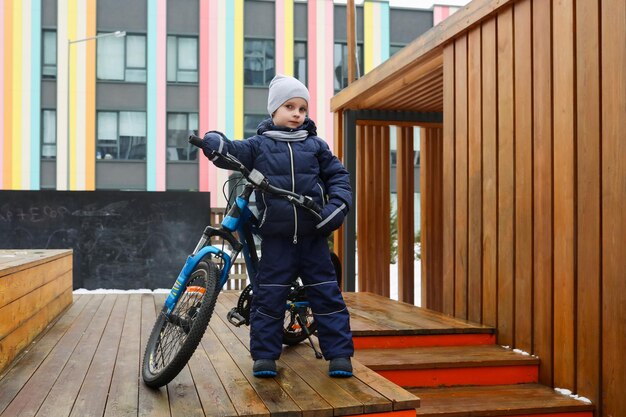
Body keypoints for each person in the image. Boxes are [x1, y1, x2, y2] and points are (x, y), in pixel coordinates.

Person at [200, 74, 354, 378]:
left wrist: (335, 207)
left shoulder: (316, 146)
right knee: (269, 298)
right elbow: (232, 151)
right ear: (274, 110)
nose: (297, 114)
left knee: (327, 297)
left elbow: (339, 177)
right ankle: (265, 357)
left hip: (313, 235)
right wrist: (215, 141)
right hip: (277, 239)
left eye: (302, 109)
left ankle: (339, 356)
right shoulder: (259, 146)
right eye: (289, 106)